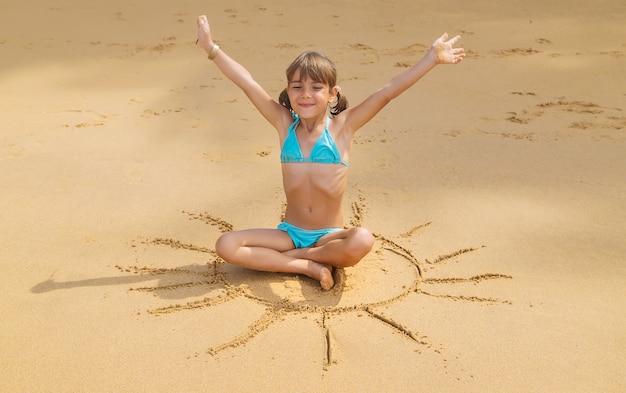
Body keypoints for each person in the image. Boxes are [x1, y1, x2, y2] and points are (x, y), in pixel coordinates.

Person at [195, 15, 465, 290]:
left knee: (363, 239)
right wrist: (211, 48)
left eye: (316, 87)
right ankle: (306, 266)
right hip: (290, 234)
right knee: (226, 244)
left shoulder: (343, 127)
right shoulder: (284, 125)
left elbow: (387, 92)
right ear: (288, 92)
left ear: (333, 93)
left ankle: (298, 258)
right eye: (297, 87)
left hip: (330, 236)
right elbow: (247, 83)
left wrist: (430, 59)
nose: (306, 95)